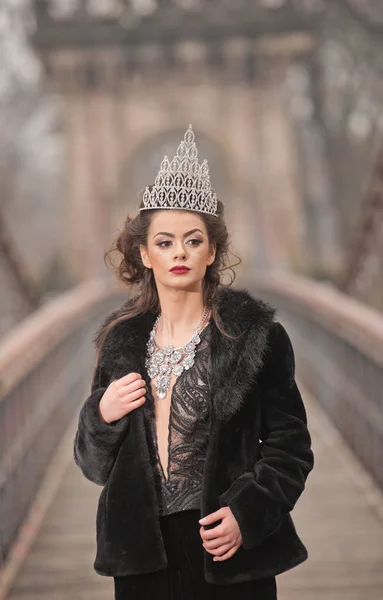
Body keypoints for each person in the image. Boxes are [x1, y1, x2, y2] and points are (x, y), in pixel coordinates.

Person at [73, 125, 314, 600]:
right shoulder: (121, 343)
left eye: (192, 240)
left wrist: (248, 514)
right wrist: (101, 415)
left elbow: (291, 449)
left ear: (213, 252)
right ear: (144, 254)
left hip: (227, 551)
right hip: (141, 555)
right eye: (164, 242)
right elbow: (93, 464)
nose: (179, 252)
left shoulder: (255, 338)